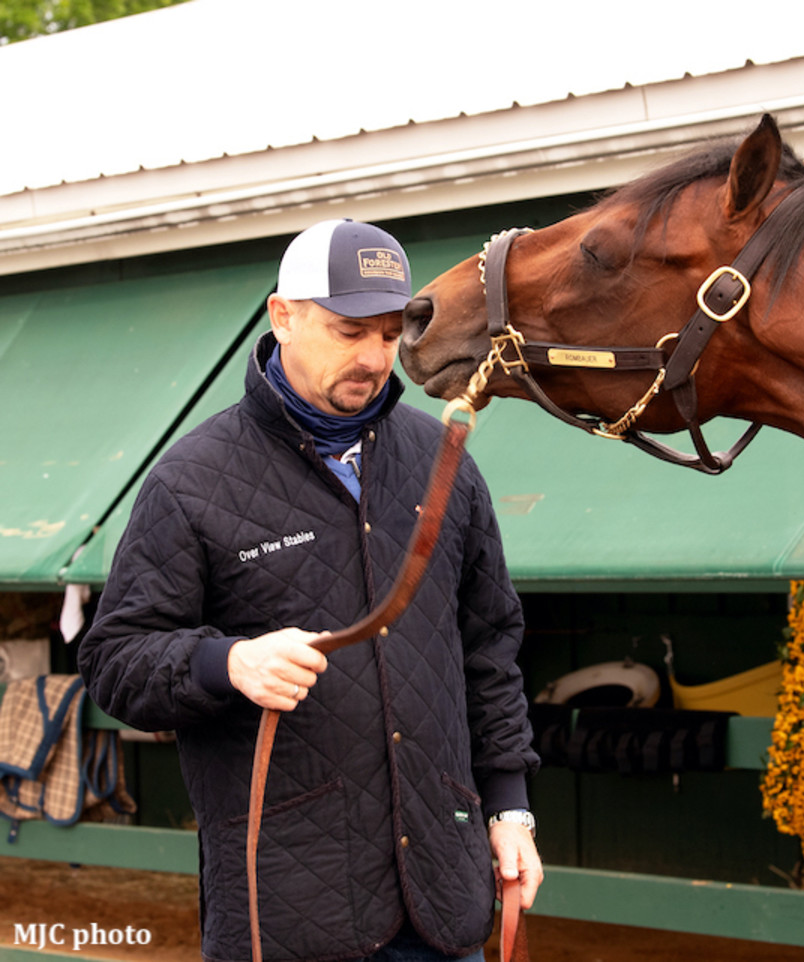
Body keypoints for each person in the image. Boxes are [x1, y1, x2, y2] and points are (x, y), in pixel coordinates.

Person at [78, 219, 542, 962]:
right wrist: (227, 664)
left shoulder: (443, 458)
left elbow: (489, 645)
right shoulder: (189, 481)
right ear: (282, 315)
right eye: (348, 330)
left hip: (444, 897)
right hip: (288, 911)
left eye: (389, 335)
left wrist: (510, 809)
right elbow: (114, 661)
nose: (372, 358)